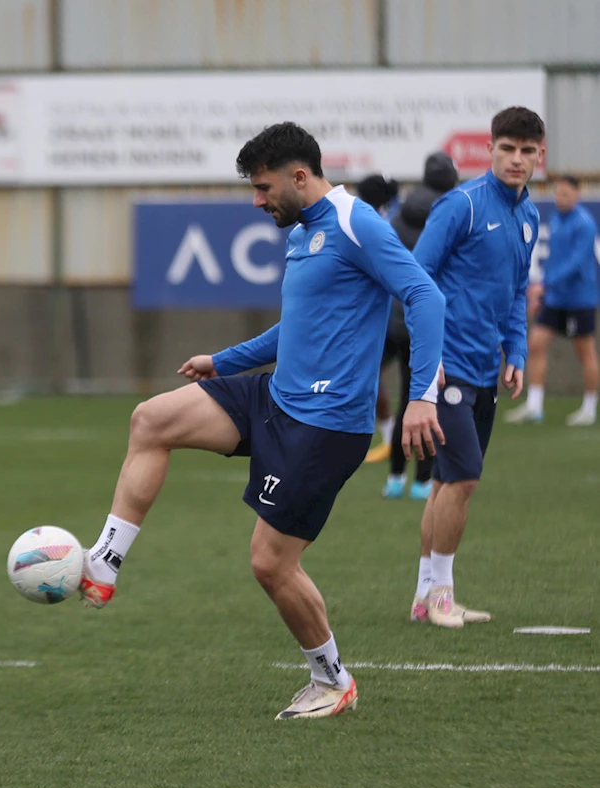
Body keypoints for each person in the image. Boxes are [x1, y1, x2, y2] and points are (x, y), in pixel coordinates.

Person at [78, 122, 446, 719]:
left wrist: (422, 397)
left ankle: (332, 679)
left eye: (263, 186)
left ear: (300, 176)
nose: (257, 200)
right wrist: (222, 361)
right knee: (151, 420)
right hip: (275, 398)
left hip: (326, 426)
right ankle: (104, 563)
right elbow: (295, 328)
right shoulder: (302, 229)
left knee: (270, 563)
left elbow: (426, 297)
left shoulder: (355, 223)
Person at [409, 106, 545, 628]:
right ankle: (443, 592)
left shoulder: (528, 216)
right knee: (464, 478)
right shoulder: (460, 205)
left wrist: (517, 350)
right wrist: (431, 356)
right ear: (489, 149)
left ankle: (424, 598)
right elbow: (416, 279)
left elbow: (515, 292)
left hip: (487, 367)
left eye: (526, 151)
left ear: (539, 157)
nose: (516, 159)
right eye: (507, 148)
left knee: (446, 482)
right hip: (449, 370)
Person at [382, 151, 459, 500]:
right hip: (429, 323)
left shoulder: (400, 215)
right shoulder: (450, 214)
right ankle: (422, 480)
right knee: (427, 400)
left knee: (405, 400)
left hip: (398, 319)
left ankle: (396, 478)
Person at [505, 175, 599, 426]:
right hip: (555, 298)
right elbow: (554, 262)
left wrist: (543, 286)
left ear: (577, 195)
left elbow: (575, 264)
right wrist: (543, 292)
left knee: (586, 353)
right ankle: (534, 406)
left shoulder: (585, 224)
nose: (560, 198)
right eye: (557, 194)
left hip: (580, 300)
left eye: (565, 194)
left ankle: (589, 409)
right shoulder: (555, 219)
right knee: (536, 344)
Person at [354, 173, 400, 464]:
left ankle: (391, 437)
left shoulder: (370, 225)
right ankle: (392, 437)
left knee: (368, 375)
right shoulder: (395, 217)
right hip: (402, 316)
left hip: (385, 319)